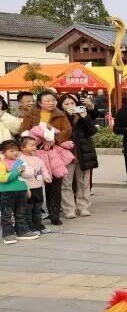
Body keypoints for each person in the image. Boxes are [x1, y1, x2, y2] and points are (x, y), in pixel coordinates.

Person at [21, 91, 72, 226]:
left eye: (53, 100)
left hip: (53, 153)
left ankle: (54, 214)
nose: (51, 103)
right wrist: (36, 141)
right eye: (48, 101)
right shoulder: (31, 114)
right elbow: (24, 130)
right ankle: (34, 214)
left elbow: (67, 130)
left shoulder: (60, 114)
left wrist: (54, 139)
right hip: (36, 152)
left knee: (56, 183)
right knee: (35, 182)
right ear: (40, 103)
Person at [59, 93, 98, 219]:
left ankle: (83, 207)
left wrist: (85, 116)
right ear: (61, 106)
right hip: (66, 154)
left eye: (72, 103)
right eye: (66, 104)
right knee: (66, 183)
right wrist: (68, 117)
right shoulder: (60, 117)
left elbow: (92, 131)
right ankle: (69, 209)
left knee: (84, 182)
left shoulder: (82, 115)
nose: (70, 106)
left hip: (83, 153)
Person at [0, 140, 40, 243]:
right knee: (7, 214)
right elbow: (3, 178)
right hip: (7, 192)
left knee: (21, 213)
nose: (15, 153)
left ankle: (22, 231)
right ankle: (8, 234)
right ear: (3, 152)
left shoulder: (20, 162)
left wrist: (27, 188)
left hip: (21, 191)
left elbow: (26, 176)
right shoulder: (2, 162)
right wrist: (18, 171)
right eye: (11, 150)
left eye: (16, 150)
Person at [18, 136, 49, 234]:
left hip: (38, 187)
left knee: (37, 209)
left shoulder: (37, 159)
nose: (34, 147)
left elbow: (43, 168)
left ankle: (39, 225)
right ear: (22, 148)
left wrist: (46, 175)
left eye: (35, 145)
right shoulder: (20, 159)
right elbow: (20, 173)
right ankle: (30, 227)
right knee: (28, 209)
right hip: (28, 189)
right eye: (31, 145)